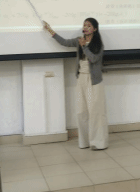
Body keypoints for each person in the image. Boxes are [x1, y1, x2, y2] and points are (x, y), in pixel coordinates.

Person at [43, 18, 108, 150]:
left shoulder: (98, 44)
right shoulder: (79, 40)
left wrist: (84, 46)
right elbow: (64, 42)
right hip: (81, 78)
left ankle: (98, 143)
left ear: (95, 29)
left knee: (95, 112)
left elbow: (94, 59)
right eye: (84, 25)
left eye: (89, 25)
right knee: (81, 111)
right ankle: (84, 142)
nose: (85, 27)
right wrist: (50, 30)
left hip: (94, 81)